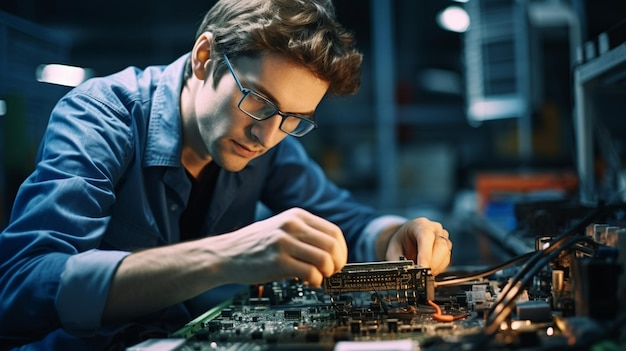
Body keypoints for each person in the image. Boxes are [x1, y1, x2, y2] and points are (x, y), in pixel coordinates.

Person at [0, 0, 452, 349]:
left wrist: (395, 233)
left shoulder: (266, 139)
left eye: (294, 119)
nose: (267, 136)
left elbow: (344, 219)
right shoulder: (101, 115)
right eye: (258, 99)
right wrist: (224, 256)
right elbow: (22, 286)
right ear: (204, 58)